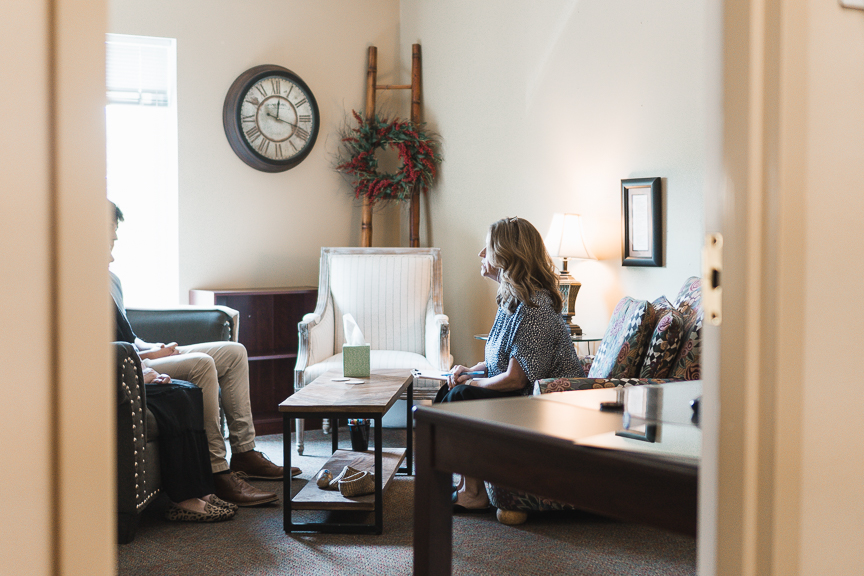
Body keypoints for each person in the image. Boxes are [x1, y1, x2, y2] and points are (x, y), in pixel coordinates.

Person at [110, 201, 301, 507]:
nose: (113, 243)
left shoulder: (110, 278)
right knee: (202, 364)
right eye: (110, 233)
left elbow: (129, 335)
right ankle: (217, 470)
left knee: (234, 352)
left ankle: (245, 452)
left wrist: (154, 348)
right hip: (126, 366)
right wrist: (149, 358)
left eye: (115, 234)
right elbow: (108, 347)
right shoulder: (77, 281)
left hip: (142, 354)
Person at [435, 216, 586, 510]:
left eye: (487, 247)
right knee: (449, 391)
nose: (481, 254)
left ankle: (475, 493)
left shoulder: (535, 306)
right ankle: (466, 484)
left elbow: (516, 379)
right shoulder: (512, 300)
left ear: (508, 256)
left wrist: (472, 382)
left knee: (463, 396)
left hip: (544, 404)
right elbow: (500, 361)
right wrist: (469, 370)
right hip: (521, 393)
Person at [139, 366, 238, 522]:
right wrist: (139, 378)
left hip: (133, 372)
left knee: (190, 389)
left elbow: (132, 348)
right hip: (120, 381)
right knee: (175, 396)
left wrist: (153, 373)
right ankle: (184, 499)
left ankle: (201, 489)